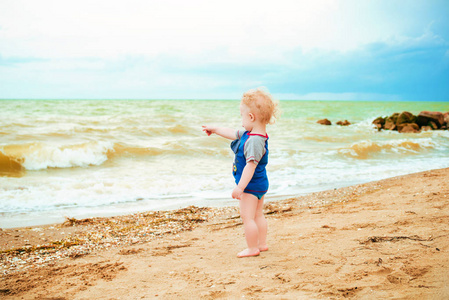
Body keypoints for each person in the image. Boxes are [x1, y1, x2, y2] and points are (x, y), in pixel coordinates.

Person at [202, 87, 279, 258]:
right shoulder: (254, 134)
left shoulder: (253, 141)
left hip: (250, 186)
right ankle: (262, 243)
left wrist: (240, 188)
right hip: (260, 184)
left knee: (247, 217)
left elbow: (250, 166)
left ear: (251, 117)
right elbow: (232, 133)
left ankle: (252, 248)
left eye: (242, 116)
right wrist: (215, 129)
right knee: (258, 214)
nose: (241, 120)